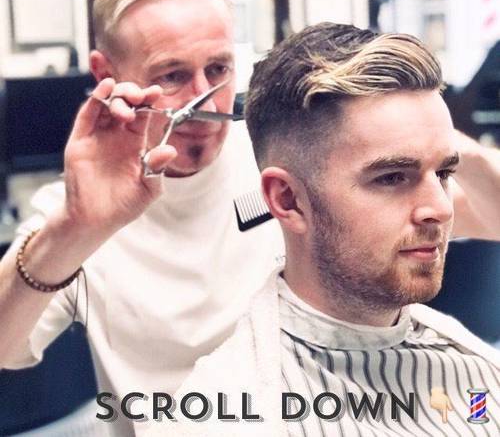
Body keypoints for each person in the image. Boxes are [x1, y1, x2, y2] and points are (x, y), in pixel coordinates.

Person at [0, 0, 498, 437]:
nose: (202, 99)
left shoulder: (285, 157)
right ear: (105, 71)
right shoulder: (80, 215)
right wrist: (74, 230)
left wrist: (431, 139)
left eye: (218, 69)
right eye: (171, 75)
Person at [159, 23, 500, 436]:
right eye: (392, 177)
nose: (442, 209)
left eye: (444, 173)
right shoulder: (221, 418)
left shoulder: (476, 371)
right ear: (287, 200)